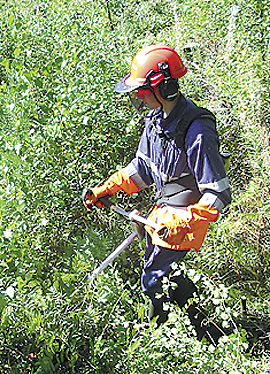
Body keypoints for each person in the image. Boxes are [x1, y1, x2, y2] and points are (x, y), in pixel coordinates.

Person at [83, 44, 231, 344]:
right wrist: (107, 188)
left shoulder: (197, 129)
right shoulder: (156, 120)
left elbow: (217, 192)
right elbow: (142, 170)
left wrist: (186, 221)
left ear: (163, 88)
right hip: (161, 216)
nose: (137, 96)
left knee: (153, 279)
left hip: (181, 221)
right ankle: (212, 331)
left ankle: (157, 344)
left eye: (141, 90)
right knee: (171, 277)